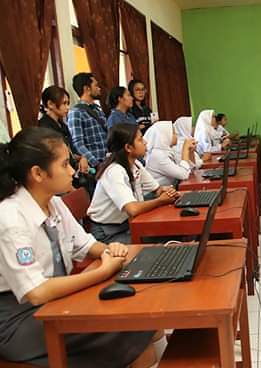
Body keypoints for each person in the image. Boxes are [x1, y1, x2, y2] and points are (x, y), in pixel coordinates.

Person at [0, 127, 156, 367]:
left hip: (53, 301)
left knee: (136, 312)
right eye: (64, 165)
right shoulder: (10, 218)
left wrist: (109, 250)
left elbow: (86, 244)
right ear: (38, 173)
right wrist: (101, 272)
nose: (73, 171)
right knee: (126, 325)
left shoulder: (54, 204)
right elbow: (37, 291)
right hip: (17, 319)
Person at [87, 124, 178, 244]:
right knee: (156, 244)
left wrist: (167, 192)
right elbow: (133, 209)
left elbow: (157, 189)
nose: (145, 142)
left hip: (127, 225)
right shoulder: (114, 171)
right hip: (107, 234)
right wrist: (160, 201)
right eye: (140, 139)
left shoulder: (135, 165)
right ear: (128, 147)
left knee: (169, 233)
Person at [39, 86, 89, 174]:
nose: (67, 108)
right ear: (50, 104)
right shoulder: (44, 127)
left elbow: (72, 151)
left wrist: (82, 158)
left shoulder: (62, 125)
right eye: (64, 103)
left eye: (68, 103)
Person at [67, 72, 108, 169]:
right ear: (87, 89)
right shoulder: (76, 112)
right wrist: (96, 163)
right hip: (95, 165)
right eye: (96, 85)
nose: (99, 88)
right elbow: (78, 143)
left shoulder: (97, 109)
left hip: (107, 161)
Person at [144, 121, 195, 186]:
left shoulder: (168, 150)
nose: (176, 135)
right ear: (165, 135)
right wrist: (185, 149)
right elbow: (184, 174)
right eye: (173, 133)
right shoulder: (157, 155)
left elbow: (190, 169)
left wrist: (191, 152)